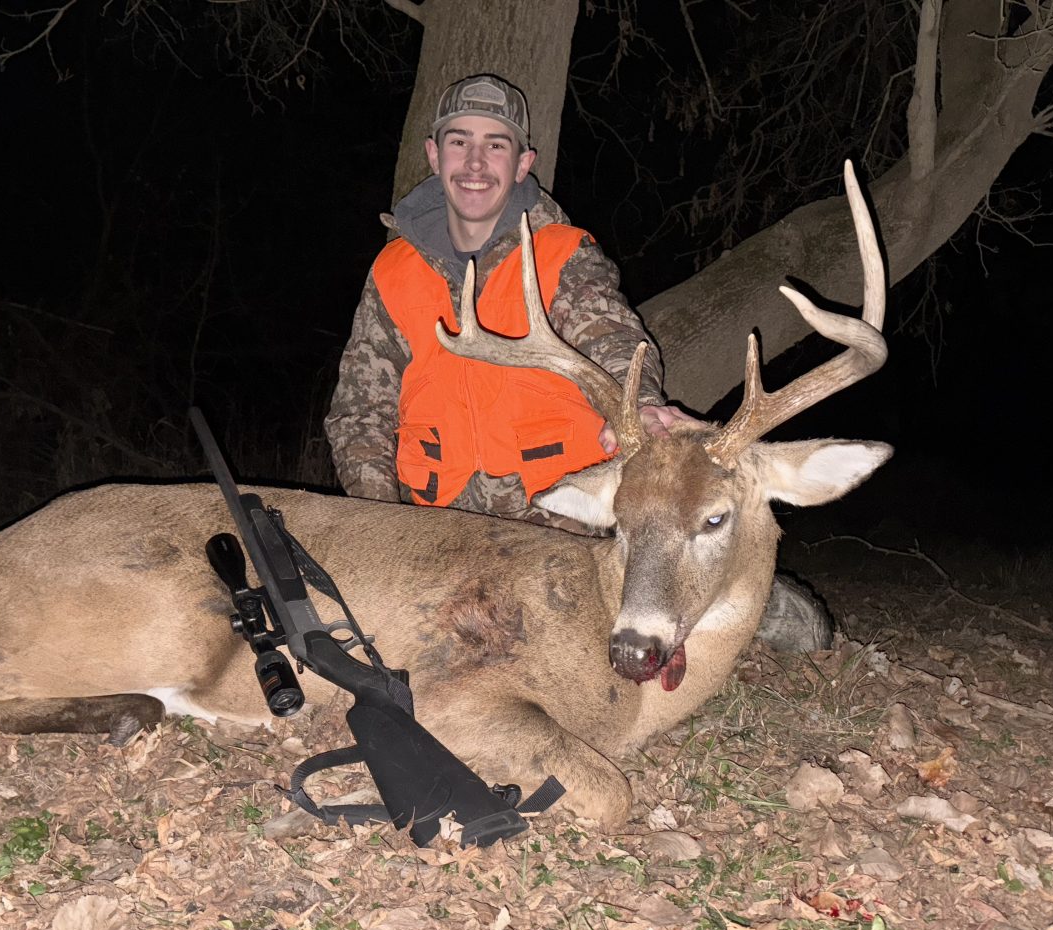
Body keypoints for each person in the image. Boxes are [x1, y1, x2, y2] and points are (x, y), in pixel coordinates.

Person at [325, 73, 832, 649]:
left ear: (523, 163)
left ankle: (752, 608)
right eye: (459, 141)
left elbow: (612, 340)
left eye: (496, 145)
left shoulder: (563, 255)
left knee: (580, 617)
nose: (475, 163)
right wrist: (382, 522)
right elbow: (360, 412)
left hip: (560, 509)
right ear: (434, 154)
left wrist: (640, 407)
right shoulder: (393, 272)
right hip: (434, 515)